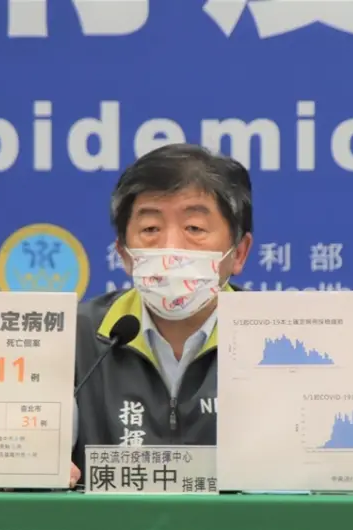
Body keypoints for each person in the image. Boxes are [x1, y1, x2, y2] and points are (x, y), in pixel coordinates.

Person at [69, 143, 253, 486]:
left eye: (194, 228)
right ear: (125, 255)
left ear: (239, 253)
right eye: (151, 229)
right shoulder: (73, 337)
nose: (171, 248)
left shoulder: (271, 339)